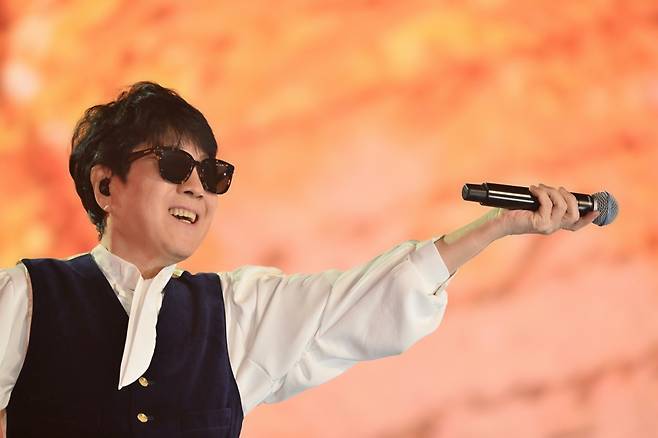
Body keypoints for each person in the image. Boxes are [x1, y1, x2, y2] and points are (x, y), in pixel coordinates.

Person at [0, 81, 600, 438]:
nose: (196, 187)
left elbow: (364, 302)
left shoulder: (236, 313)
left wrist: (497, 226)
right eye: (174, 165)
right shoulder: (27, 298)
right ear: (106, 186)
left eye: (212, 174)